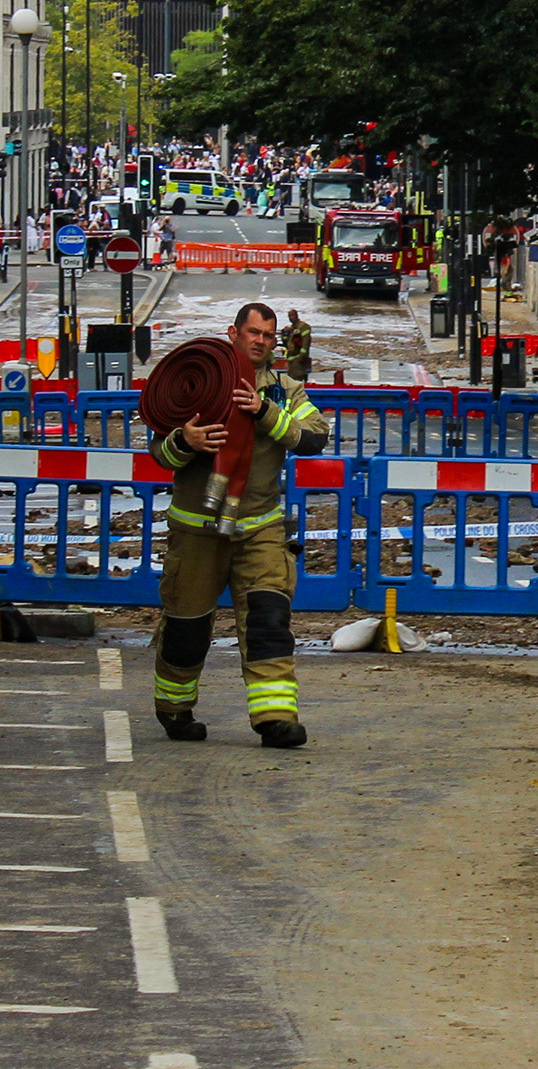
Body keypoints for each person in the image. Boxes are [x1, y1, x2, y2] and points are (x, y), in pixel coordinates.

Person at [148, 303, 329, 748]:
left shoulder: (286, 391)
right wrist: (184, 441)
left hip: (260, 529)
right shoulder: (201, 380)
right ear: (233, 333)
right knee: (187, 628)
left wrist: (266, 412)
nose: (262, 342)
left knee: (269, 620)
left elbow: (314, 438)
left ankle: (275, 719)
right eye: (254, 333)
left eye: (269, 336)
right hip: (196, 531)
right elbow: (159, 454)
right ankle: (174, 709)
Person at [283, 309, 313, 385]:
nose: (290, 317)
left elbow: (306, 342)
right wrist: (284, 334)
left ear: (297, 315)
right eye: (289, 316)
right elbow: (286, 343)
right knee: (290, 381)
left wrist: (302, 356)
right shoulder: (291, 329)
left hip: (299, 360)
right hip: (291, 360)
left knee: (296, 381)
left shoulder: (303, 327)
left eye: (292, 315)